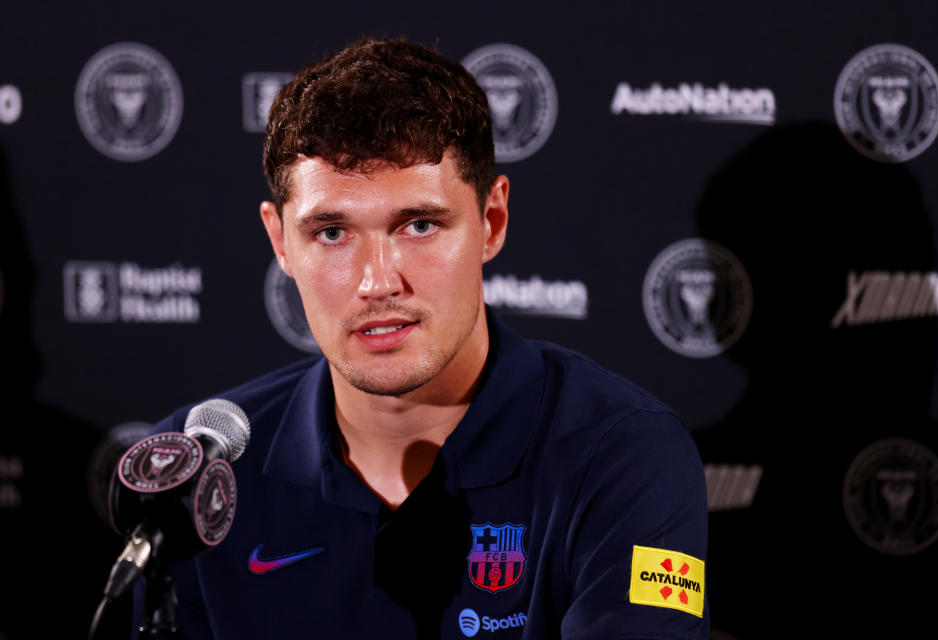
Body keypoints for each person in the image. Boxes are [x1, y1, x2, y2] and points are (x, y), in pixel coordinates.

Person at [149, 38, 709, 639]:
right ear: (281, 242)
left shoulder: (623, 452)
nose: (377, 281)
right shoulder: (201, 470)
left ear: (491, 222)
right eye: (333, 232)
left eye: (419, 225)